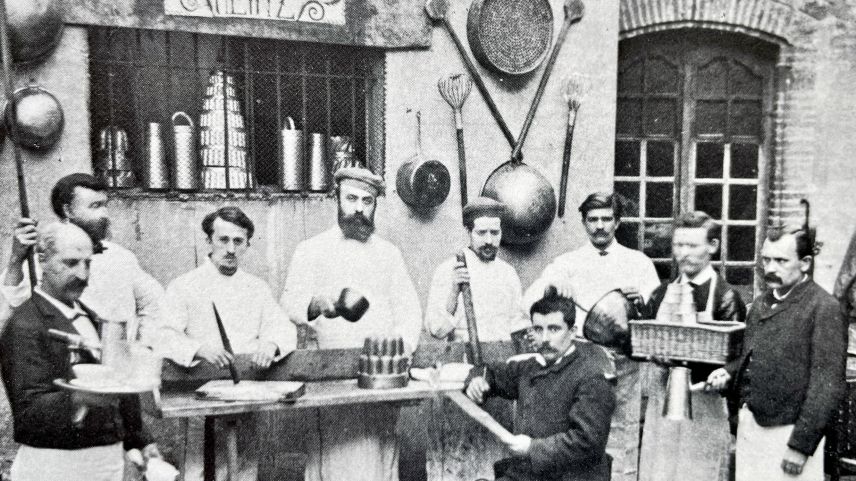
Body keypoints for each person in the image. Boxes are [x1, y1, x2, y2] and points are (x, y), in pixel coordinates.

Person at [280, 166, 422, 481]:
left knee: (377, 458)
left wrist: (396, 355)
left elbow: (410, 312)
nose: (359, 207)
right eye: (351, 198)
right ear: (337, 199)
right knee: (331, 456)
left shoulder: (389, 254)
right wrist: (316, 305)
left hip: (378, 377)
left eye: (367, 201)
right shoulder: (311, 250)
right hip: (329, 373)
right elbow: (289, 302)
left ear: (375, 205)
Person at [0, 222, 161, 481]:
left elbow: (118, 382)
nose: (83, 275)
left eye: (88, 263)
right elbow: (28, 412)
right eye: (71, 263)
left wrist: (141, 442)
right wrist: (79, 398)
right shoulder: (25, 324)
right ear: (43, 261)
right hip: (56, 466)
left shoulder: (91, 317)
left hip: (107, 463)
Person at [523, 192, 660, 481]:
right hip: (584, 365)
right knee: (582, 433)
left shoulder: (639, 263)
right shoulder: (567, 263)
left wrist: (642, 301)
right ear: (584, 223)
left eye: (606, 219)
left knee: (623, 433)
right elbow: (529, 301)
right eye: (593, 219)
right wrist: (552, 284)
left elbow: (656, 313)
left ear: (618, 222)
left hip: (625, 363)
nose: (600, 226)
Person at [155, 206, 297, 481]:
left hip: (246, 394)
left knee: (245, 471)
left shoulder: (256, 288)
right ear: (208, 241)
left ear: (247, 245)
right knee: (201, 471)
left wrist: (271, 345)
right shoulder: (184, 286)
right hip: (201, 398)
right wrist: (197, 348)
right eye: (223, 240)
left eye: (238, 241)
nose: (231, 249)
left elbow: (282, 327)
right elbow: (161, 335)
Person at [707, 225, 846, 480]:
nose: (770, 268)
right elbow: (754, 355)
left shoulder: (823, 307)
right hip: (751, 428)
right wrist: (728, 373)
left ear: (805, 263)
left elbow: (826, 386)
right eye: (766, 259)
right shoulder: (761, 304)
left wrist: (800, 446)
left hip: (788, 434)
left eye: (781, 261)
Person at [638, 211, 746, 481]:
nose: (683, 253)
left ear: (712, 247)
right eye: (678, 245)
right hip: (663, 401)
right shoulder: (661, 294)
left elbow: (737, 359)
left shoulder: (726, 297)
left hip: (703, 404)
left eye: (692, 246)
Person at [465, 294, 616, 481]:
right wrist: (478, 380)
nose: (545, 339)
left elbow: (588, 442)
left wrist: (532, 448)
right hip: (532, 474)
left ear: (572, 332)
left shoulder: (591, 376)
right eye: (538, 329)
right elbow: (489, 371)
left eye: (554, 329)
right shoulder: (530, 367)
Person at [1, 173, 163, 342]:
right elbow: (8, 315)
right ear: (68, 210)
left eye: (105, 205)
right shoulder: (45, 261)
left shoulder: (121, 257)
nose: (105, 214)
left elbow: (154, 304)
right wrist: (15, 261)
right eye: (95, 206)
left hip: (118, 362)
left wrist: (143, 346)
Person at [425, 196, 528, 342]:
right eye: (481, 233)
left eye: (494, 232)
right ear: (468, 232)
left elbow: (518, 326)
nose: (489, 241)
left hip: (503, 358)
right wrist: (454, 292)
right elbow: (437, 331)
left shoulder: (508, 273)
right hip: (463, 359)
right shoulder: (449, 270)